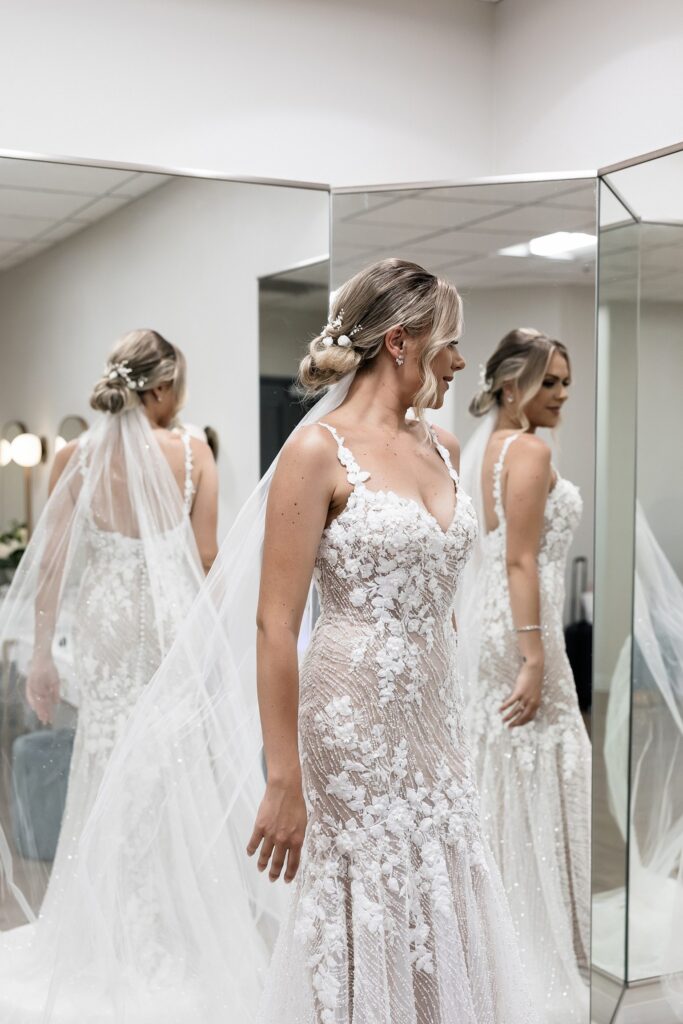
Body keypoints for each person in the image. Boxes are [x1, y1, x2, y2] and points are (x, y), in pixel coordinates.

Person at [248, 261, 539, 1024]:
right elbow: (274, 623)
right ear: (402, 343)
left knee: (444, 874)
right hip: (352, 716)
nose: (459, 361)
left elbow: (439, 590)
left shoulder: (442, 445)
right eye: (450, 343)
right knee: (371, 888)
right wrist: (284, 776)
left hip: (432, 713)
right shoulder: (317, 451)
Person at [0, 329, 218, 1014]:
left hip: (105, 629)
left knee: (104, 764)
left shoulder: (76, 454)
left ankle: (105, 929)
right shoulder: (194, 453)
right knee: (170, 774)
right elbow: (207, 560)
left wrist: (41, 656)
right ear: (161, 388)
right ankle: (166, 929)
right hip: (168, 626)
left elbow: (54, 565)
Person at [458, 328, 591, 1024]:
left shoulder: (483, 449)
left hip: (489, 619)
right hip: (520, 621)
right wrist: (536, 655)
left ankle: (491, 940)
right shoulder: (530, 450)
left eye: (566, 381)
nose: (562, 394)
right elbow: (518, 559)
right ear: (511, 385)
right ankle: (528, 949)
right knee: (544, 759)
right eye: (550, 382)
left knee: (498, 767)